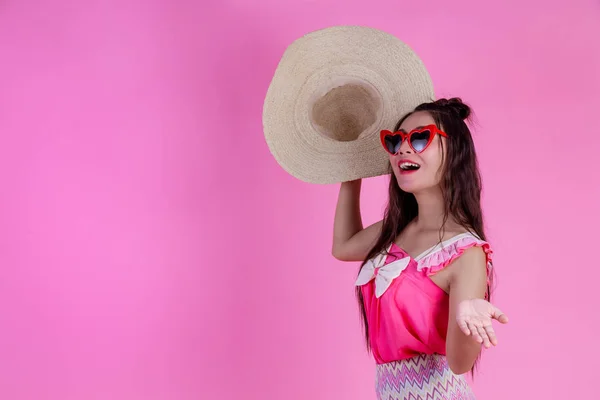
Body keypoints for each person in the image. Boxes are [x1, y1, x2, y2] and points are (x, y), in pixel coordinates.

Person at [332, 98, 509, 399]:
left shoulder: (465, 251)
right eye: (395, 140)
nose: (403, 148)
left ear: (453, 152)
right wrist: (352, 173)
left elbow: (459, 363)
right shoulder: (397, 230)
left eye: (419, 137)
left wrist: (469, 317)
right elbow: (344, 246)